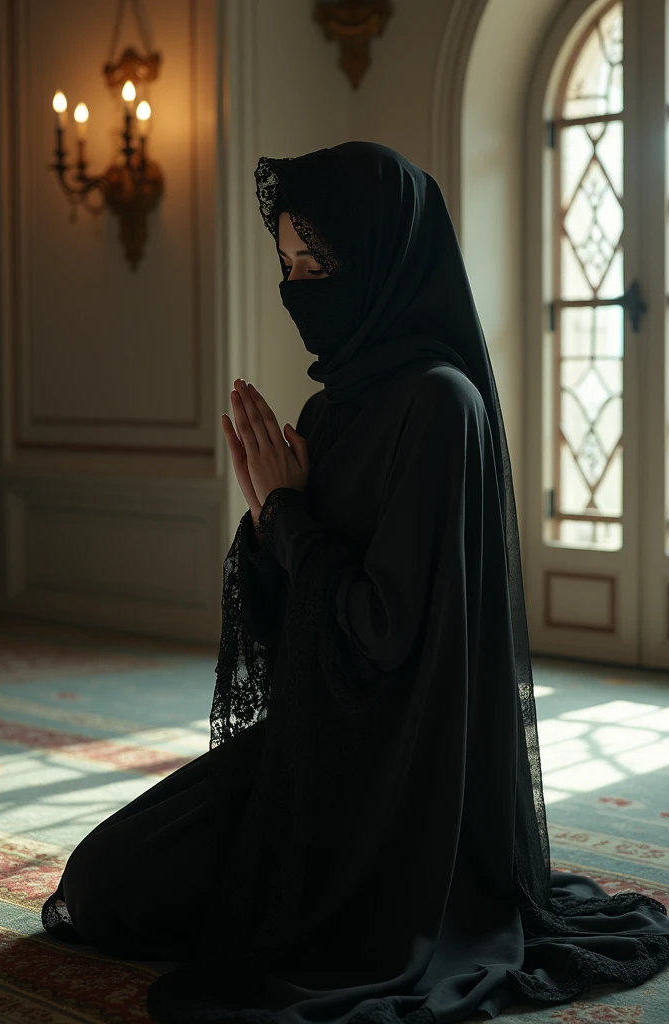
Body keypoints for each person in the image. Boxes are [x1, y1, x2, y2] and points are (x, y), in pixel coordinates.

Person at [42, 142, 669, 1024]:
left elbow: (383, 632)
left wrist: (290, 516)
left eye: (319, 265)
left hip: (402, 780)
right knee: (100, 884)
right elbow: (282, 626)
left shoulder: (443, 408)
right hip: (320, 741)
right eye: (288, 266)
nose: (299, 288)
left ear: (380, 262)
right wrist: (267, 521)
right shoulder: (332, 407)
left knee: (149, 903)